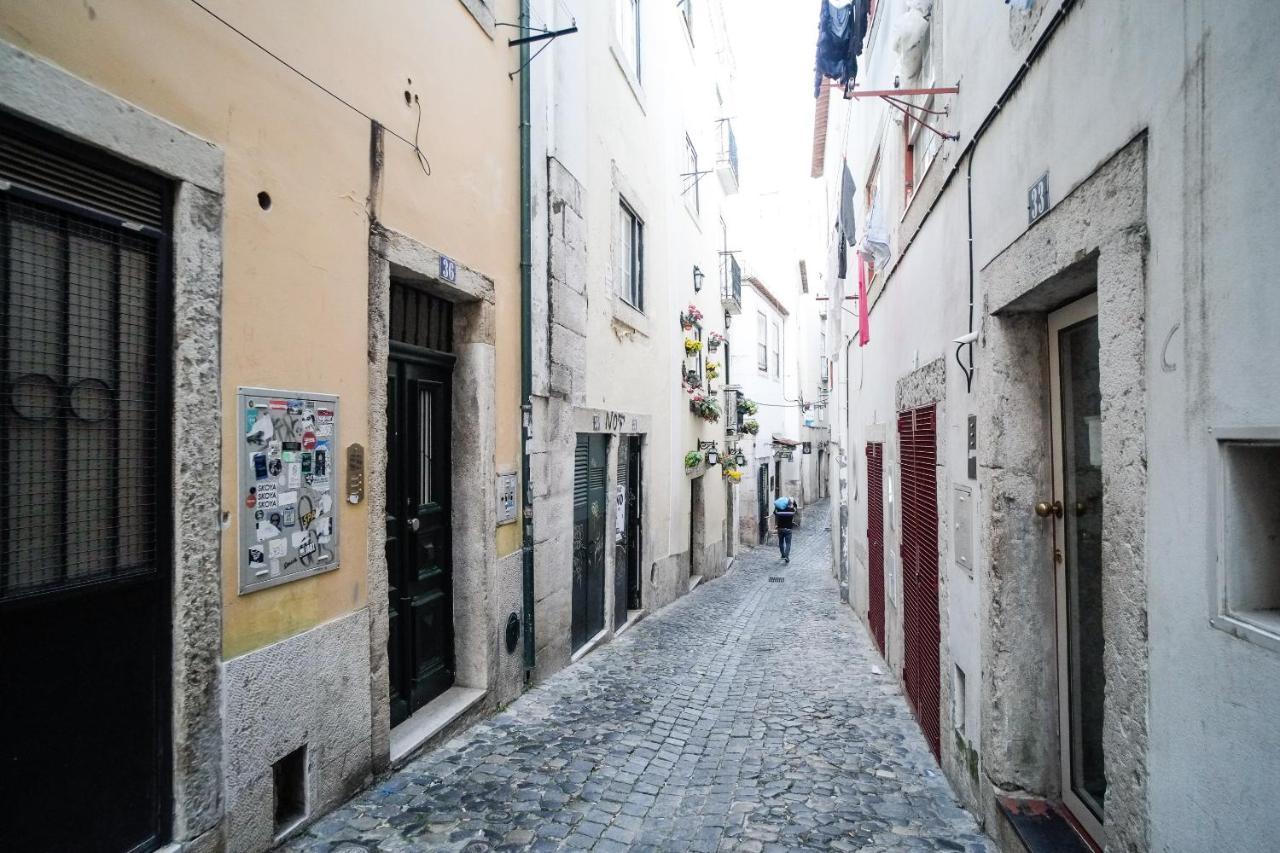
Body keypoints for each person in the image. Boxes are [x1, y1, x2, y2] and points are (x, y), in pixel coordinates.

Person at [774, 496, 797, 563]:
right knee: (788, 543)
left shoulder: (779, 510)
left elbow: (774, 512)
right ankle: (787, 556)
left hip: (780, 528)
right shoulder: (792, 511)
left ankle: (783, 555)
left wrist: (777, 507)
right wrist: (793, 503)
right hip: (788, 529)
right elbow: (796, 507)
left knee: (781, 542)